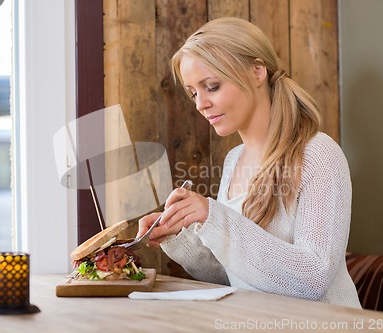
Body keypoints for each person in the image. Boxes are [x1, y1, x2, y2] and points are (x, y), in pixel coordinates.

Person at [137, 17, 361, 308]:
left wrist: (213, 216)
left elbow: (312, 281)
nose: (200, 104)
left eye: (212, 86)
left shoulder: (318, 154)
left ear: (257, 71)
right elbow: (235, 277)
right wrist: (180, 236)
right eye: (194, 92)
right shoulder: (233, 162)